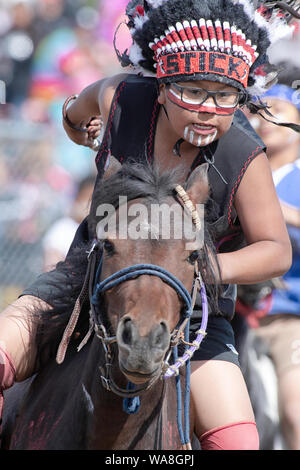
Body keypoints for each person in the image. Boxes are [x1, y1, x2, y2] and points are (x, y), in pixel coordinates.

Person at [1, 0, 299, 450]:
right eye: (193, 91)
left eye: (224, 96)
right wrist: (76, 126)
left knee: (239, 442)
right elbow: (74, 112)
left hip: (194, 314)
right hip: (81, 285)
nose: (208, 109)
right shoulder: (120, 96)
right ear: (160, 87)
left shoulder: (243, 152)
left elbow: (276, 249)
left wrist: (203, 267)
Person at [240, 80, 300, 450]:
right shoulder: (242, 169)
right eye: (257, 111)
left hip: (289, 318)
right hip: (230, 314)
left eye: (275, 110)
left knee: (295, 410)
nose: (263, 120)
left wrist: (280, 215)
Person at [42, 175, 95, 271]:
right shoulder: (62, 229)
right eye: (87, 198)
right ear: (77, 199)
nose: (90, 205)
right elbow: (50, 269)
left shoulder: (107, 232)